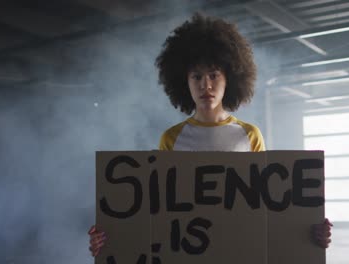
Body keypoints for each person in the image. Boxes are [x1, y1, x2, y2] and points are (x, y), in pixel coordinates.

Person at [88, 13, 332, 257]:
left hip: (239, 253)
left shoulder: (249, 135)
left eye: (214, 75)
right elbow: (156, 211)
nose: (206, 85)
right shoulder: (171, 138)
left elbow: (268, 206)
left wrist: (309, 232)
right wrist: (111, 238)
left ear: (230, 78)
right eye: (197, 76)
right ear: (185, 82)